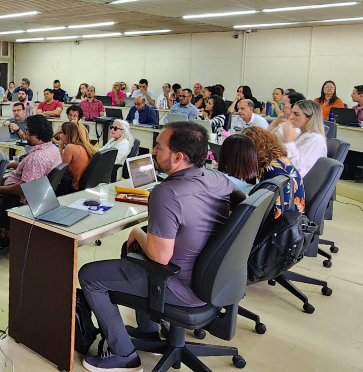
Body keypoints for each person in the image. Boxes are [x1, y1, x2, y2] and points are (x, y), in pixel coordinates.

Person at [78, 121, 244, 372]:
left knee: (90, 275)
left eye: (158, 147)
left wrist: (137, 231)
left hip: (180, 285)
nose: (153, 152)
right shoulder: (217, 178)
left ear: (178, 156)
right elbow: (242, 209)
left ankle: (124, 356)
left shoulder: (166, 192)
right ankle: (148, 331)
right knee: (132, 250)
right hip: (217, 279)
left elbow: (159, 256)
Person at [240, 126, 306, 217]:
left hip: (281, 223)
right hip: (293, 215)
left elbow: (271, 210)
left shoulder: (269, 170)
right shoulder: (280, 161)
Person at [0, 115, 61, 204]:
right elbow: (35, 169)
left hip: (17, 199)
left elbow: (23, 189)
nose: (25, 133)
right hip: (42, 195)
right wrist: (11, 164)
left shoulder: (36, 158)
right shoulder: (52, 148)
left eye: (26, 130)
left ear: (35, 133)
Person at [276, 100, 328, 177]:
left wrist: (288, 142)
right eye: (291, 113)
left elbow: (298, 170)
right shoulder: (300, 135)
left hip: (294, 184)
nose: (290, 117)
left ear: (310, 118)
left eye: (296, 114)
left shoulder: (316, 140)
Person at [55, 121, 96, 191]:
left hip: (73, 186)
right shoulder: (86, 146)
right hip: (84, 185)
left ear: (67, 135)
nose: (59, 135)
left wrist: (60, 148)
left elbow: (61, 169)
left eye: (61, 132)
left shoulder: (70, 147)